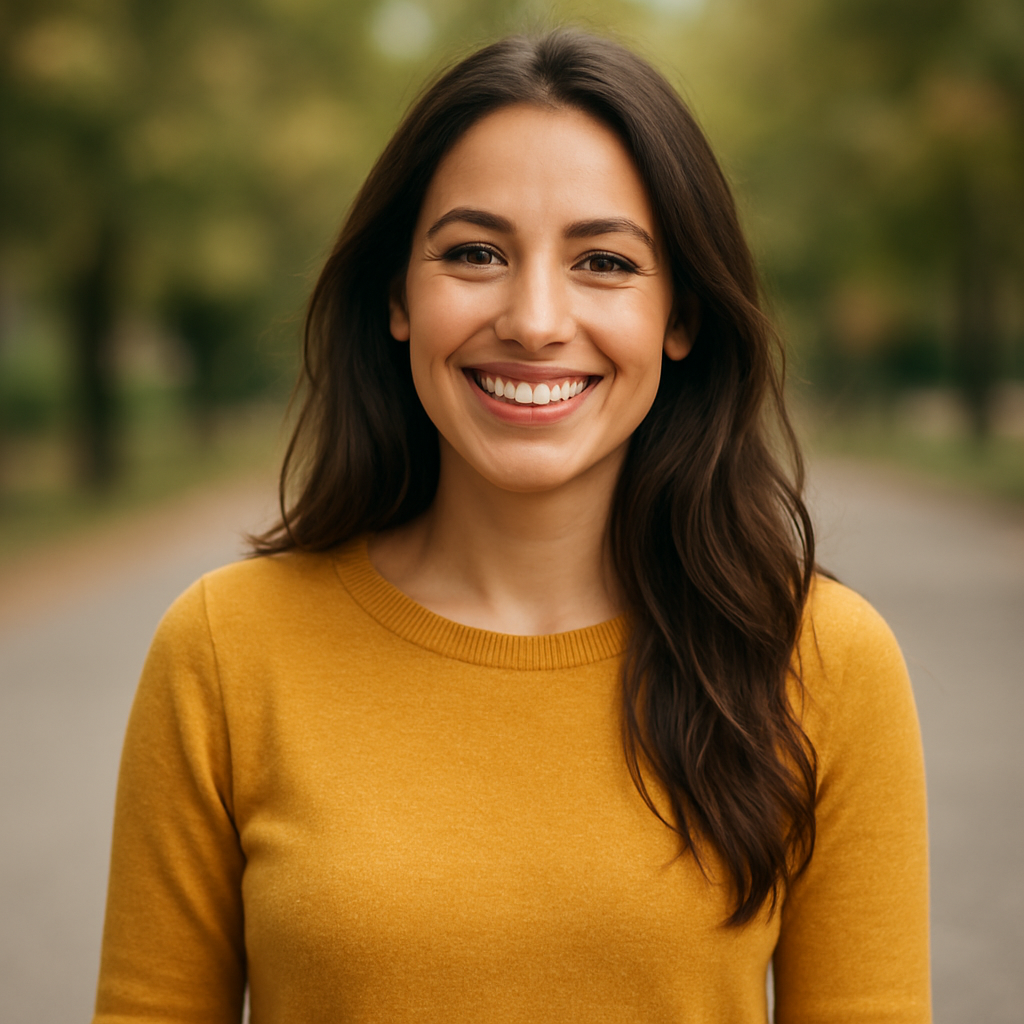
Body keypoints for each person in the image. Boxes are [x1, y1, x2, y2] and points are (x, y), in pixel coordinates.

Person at [93, 30, 930, 1024]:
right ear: (398, 295)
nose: (535, 319)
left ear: (681, 316)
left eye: (604, 261)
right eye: (475, 252)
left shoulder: (824, 662)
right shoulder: (225, 651)